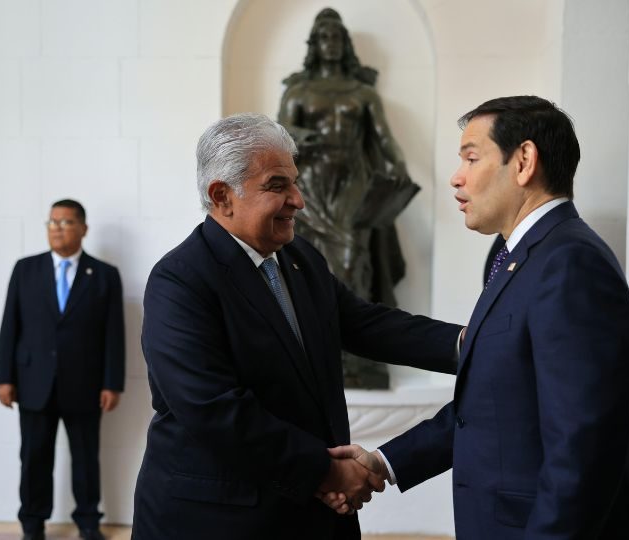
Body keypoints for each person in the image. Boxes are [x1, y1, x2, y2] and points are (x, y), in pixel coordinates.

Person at [326, 96, 629, 539]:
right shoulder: (512, 257)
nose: (456, 177)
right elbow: (493, 403)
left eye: (471, 158)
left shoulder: (571, 264)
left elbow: (584, 451)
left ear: (523, 161)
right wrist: (385, 461)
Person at [131, 113, 461, 539]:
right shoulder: (180, 280)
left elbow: (366, 324)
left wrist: (466, 342)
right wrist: (327, 471)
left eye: (295, 182)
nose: (299, 200)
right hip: (220, 520)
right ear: (222, 196)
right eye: (277, 185)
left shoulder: (299, 257)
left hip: (307, 513)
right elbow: (214, 409)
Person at [278, 8, 418, 388]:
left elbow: (384, 138)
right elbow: (280, 137)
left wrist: (401, 167)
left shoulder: (364, 94)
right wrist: (300, 138)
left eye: (337, 38)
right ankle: (318, 348)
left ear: (345, 45)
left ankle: (356, 353)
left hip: (353, 182)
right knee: (309, 266)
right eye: (325, 38)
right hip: (311, 183)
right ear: (315, 45)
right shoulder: (298, 92)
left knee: (354, 261)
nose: (332, 44)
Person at [0, 199, 125, 540]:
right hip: (33, 383)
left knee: (86, 458)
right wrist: (4, 378)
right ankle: (33, 524)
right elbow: (10, 326)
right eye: (52, 222)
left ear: (83, 228)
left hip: (85, 384)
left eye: (66, 222)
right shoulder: (26, 269)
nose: (57, 228)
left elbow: (114, 334)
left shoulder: (104, 275)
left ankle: (87, 522)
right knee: (34, 458)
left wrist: (113, 383)